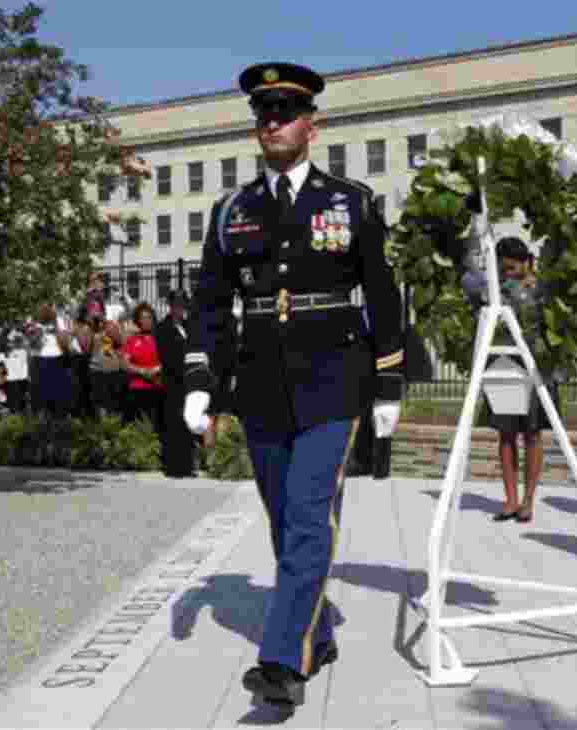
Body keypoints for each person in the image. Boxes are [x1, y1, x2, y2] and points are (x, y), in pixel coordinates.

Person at [182, 62, 404, 708]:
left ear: (313, 124)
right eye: (264, 113)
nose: (272, 122)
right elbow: (212, 306)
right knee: (286, 523)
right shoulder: (233, 211)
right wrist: (201, 379)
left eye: (285, 111)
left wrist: (389, 385)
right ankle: (317, 628)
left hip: (334, 382)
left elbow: (384, 299)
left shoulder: (350, 202)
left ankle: (282, 663)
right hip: (259, 387)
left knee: (308, 515)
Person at [484, 236, 555, 524]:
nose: (508, 274)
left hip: (537, 366)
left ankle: (528, 501)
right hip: (504, 365)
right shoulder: (496, 289)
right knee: (505, 433)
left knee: (533, 433)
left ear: (528, 261)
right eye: (504, 269)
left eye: (513, 268)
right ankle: (510, 499)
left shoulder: (544, 289)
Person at [155, 290, 196, 477]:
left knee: (187, 421)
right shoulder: (163, 327)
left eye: (182, 305)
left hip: (188, 381)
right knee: (172, 423)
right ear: (171, 306)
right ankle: (172, 466)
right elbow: (166, 355)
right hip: (173, 382)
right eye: (177, 305)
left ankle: (187, 464)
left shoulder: (189, 326)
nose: (180, 309)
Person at [121, 302, 163, 433]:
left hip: (158, 386)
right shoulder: (132, 340)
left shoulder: (161, 338)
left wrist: (156, 369)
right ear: (138, 320)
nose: (146, 321)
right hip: (138, 389)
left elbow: (169, 359)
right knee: (140, 426)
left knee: (157, 425)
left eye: (149, 317)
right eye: (143, 318)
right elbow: (125, 364)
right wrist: (142, 371)